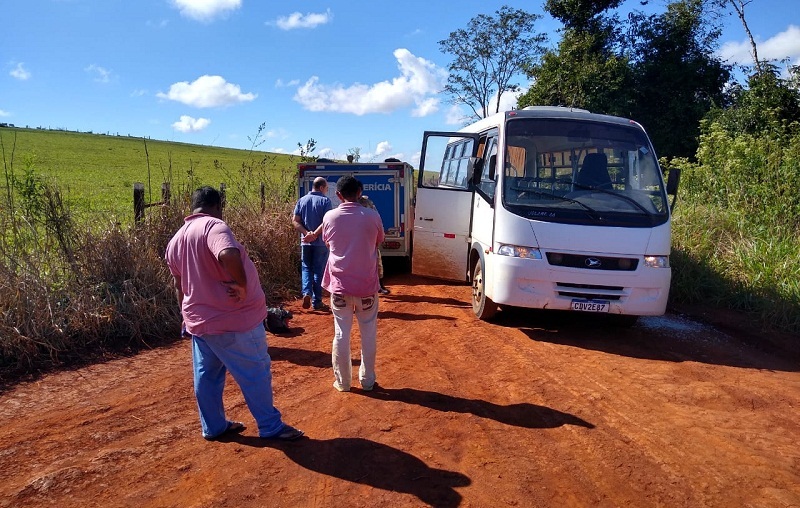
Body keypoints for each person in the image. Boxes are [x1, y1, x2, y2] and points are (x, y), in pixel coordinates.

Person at [165, 186, 303, 441]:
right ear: (217, 206)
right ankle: (270, 427)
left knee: (207, 377)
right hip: (233, 321)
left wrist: (185, 315)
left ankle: (214, 426)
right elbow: (227, 252)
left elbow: (179, 285)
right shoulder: (213, 227)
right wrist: (241, 284)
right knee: (255, 373)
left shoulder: (176, 240)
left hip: (200, 323)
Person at [321, 176, 385, 392]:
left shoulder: (329, 217)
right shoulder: (372, 216)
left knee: (341, 333)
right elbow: (379, 241)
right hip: (366, 286)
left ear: (338, 195)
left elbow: (328, 242)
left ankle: (343, 382)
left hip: (340, 286)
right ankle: (367, 381)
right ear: (360, 192)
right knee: (368, 333)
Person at [292, 176, 333, 311]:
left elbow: (295, 220)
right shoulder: (325, 201)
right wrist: (314, 234)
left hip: (305, 243)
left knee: (306, 268)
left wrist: (306, 233)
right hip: (320, 242)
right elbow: (326, 221)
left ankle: (306, 293)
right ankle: (317, 301)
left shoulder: (302, 200)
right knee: (318, 271)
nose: (326, 191)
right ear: (321, 187)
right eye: (326, 188)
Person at [357, 191, 390, 295]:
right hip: (356, 240)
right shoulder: (346, 205)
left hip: (369, 238)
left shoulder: (367, 202)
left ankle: (379, 286)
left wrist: (379, 234)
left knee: (377, 262)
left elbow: (377, 217)